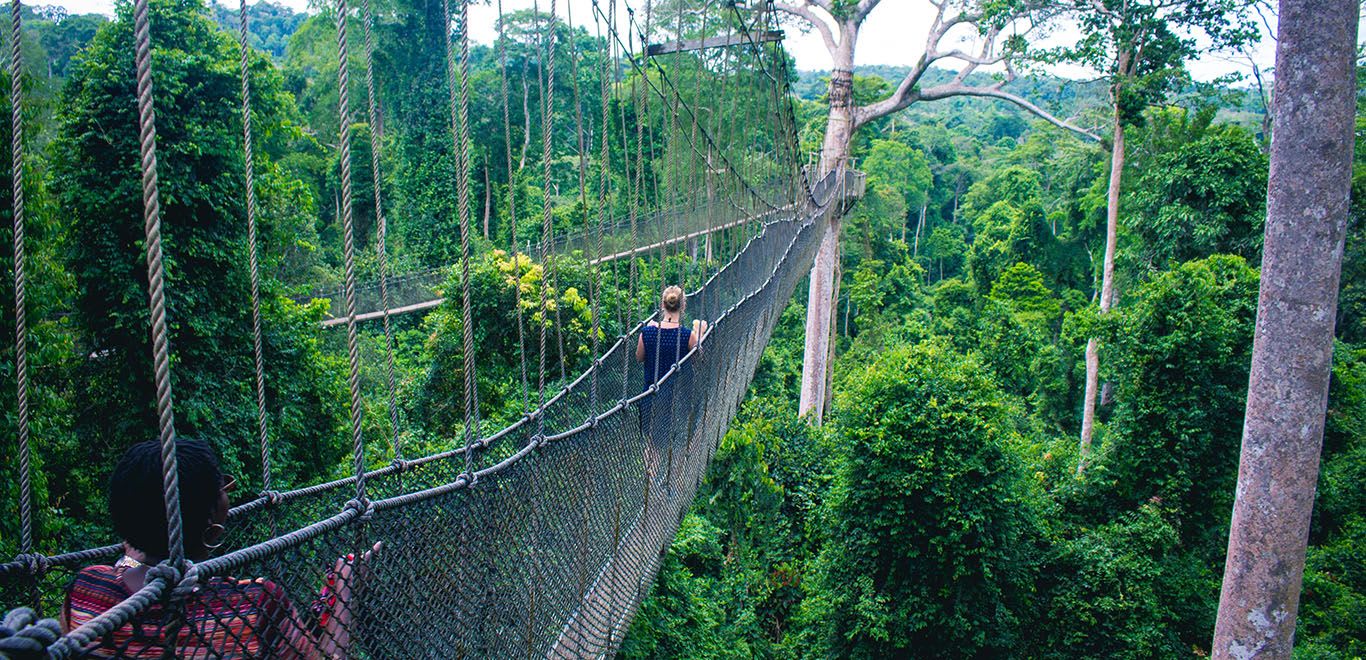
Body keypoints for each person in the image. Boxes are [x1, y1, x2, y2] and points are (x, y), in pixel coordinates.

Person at [63, 439, 379, 659]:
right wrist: (347, 589)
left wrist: (135, 551)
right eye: (222, 490)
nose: (228, 494)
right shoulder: (255, 606)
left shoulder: (87, 590)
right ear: (211, 523)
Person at [635, 286, 708, 461]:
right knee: (670, 444)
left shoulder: (647, 332)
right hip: (676, 400)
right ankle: (661, 481)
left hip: (650, 398)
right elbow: (700, 362)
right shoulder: (687, 336)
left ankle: (651, 482)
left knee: (652, 446)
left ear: (662, 305)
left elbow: (639, 358)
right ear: (683, 307)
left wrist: (650, 330)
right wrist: (699, 334)